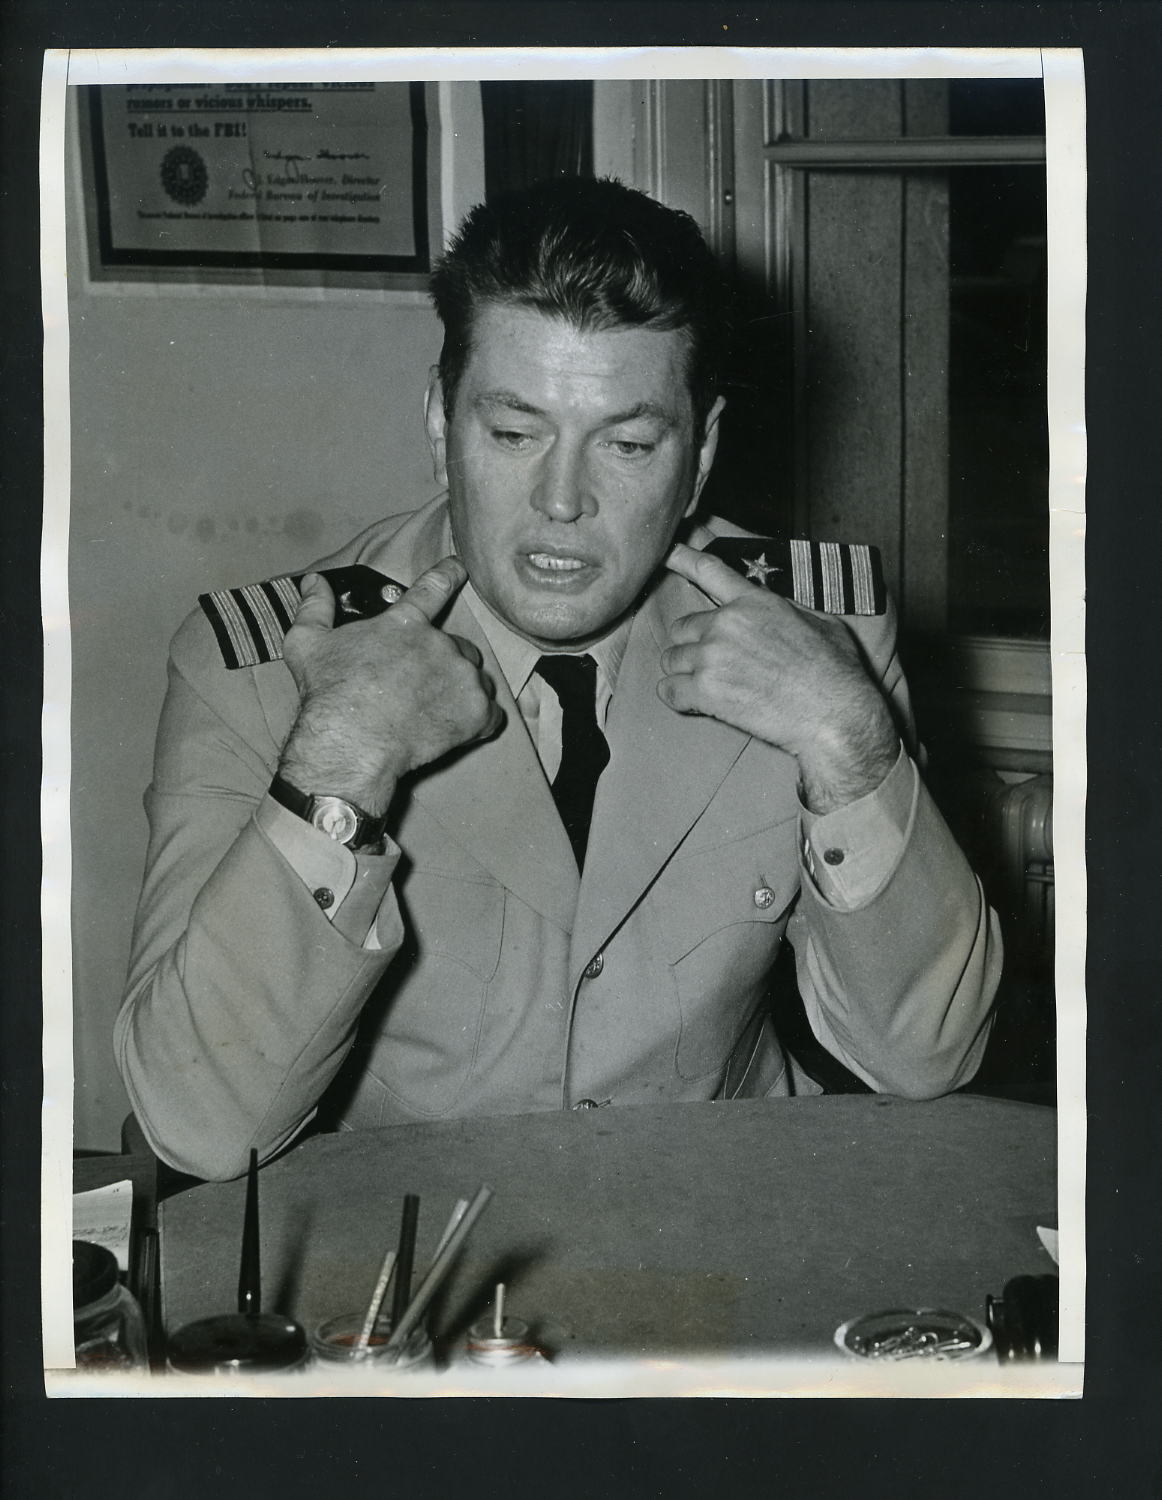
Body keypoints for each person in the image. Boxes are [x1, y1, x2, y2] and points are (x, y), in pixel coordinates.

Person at [115, 177, 1001, 1182]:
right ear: (437, 423)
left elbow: (926, 1057)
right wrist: (339, 763)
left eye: (626, 443)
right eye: (512, 432)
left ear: (699, 453)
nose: (562, 502)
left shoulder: (809, 638)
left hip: (715, 1239)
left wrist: (852, 745)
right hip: (403, 1268)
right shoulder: (269, 661)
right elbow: (197, 1123)